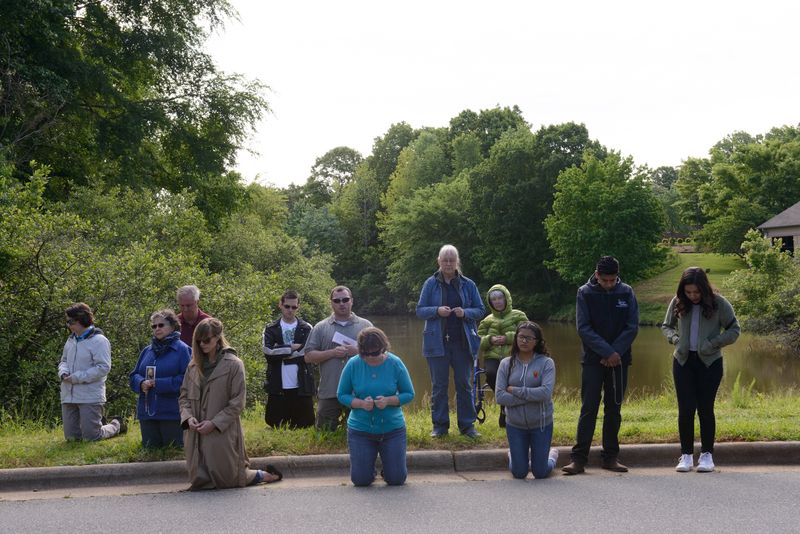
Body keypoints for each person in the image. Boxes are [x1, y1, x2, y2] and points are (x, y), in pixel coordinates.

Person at [179, 318, 281, 489]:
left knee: (230, 479)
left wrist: (214, 423)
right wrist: (188, 418)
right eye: (198, 341)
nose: (202, 344)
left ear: (218, 338)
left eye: (207, 340)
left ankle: (266, 475)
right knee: (200, 478)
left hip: (221, 430)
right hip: (195, 431)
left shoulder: (234, 364)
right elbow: (183, 396)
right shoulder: (193, 366)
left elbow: (237, 402)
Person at [562, 256, 639, 475]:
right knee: (588, 408)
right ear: (597, 275)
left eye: (612, 280)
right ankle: (578, 459)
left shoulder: (627, 292)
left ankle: (611, 457)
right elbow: (583, 328)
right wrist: (607, 352)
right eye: (605, 280)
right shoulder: (584, 293)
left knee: (614, 409)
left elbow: (632, 326)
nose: (609, 284)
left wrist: (616, 353)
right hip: (593, 360)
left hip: (620, 359)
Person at [661, 267, 740, 473]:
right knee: (685, 409)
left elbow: (734, 330)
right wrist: (675, 339)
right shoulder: (677, 302)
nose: (692, 296)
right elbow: (666, 326)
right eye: (688, 292)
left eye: (696, 292)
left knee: (705, 409)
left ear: (704, 288)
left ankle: (707, 455)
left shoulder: (719, 303)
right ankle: (686, 456)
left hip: (710, 364)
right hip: (683, 362)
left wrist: (713, 343)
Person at [416, 244, 485, 438]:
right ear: (439, 261)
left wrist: (465, 313)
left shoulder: (468, 284)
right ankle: (440, 426)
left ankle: (467, 426)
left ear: (457, 262)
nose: (448, 263)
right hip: (436, 344)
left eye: (451, 260)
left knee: (464, 384)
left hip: (463, 343)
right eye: (444, 260)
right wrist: (436, 311)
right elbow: (420, 310)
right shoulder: (430, 283)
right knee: (439, 386)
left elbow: (480, 310)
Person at [337, 327, 415, 486]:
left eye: (375, 353)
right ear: (360, 351)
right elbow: (342, 394)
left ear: (384, 348)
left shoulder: (395, 363)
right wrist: (360, 404)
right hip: (361, 430)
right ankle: (367, 469)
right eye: (366, 354)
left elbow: (409, 393)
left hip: (392, 429)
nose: (371, 357)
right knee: (361, 481)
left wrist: (389, 401)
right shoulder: (353, 364)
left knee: (397, 479)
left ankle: (389, 469)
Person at [495, 321, 558, 479]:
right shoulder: (505, 364)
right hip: (515, 425)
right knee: (519, 472)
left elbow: (545, 393)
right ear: (516, 338)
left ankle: (552, 455)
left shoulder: (546, 363)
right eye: (521, 337)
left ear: (537, 342)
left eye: (529, 338)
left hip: (541, 424)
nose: (524, 341)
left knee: (540, 472)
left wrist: (515, 390)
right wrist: (531, 397)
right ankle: (514, 455)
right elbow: (500, 396)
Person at [304, 286, 373, 431]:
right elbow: (308, 357)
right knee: (324, 433)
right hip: (330, 390)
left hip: (359, 391)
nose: (342, 303)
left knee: (362, 432)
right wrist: (332, 353)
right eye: (337, 300)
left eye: (345, 299)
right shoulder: (320, 327)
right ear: (331, 303)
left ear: (352, 301)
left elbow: (380, 355)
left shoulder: (365, 326)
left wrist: (359, 351)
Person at [58, 302, 126, 441]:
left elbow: (103, 367)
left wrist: (77, 377)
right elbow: (63, 361)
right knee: (72, 438)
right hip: (68, 394)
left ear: (81, 320)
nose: (68, 325)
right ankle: (98, 423)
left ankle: (117, 424)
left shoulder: (99, 341)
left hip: (90, 395)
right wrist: (63, 373)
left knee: (92, 437)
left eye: (70, 321)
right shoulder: (70, 340)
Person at [129, 309, 191, 448]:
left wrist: (159, 384)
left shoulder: (183, 350)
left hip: (172, 413)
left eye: (161, 325)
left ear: (173, 326)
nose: (157, 328)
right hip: (148, 413)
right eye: (154, 326)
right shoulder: (147, 351)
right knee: (150, 452)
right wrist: (141, 383)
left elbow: (189, 380)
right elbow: (134, 376)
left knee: (173, 452)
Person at [477, 284, 529, 427]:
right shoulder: (486, 320)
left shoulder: (519, 315)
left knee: (513, 376)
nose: (497, 301)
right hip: (492, 356)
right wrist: (489, 340)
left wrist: (508, 338)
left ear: (506, 298)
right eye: (494, 299)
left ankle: (508, 409)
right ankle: (504, 405)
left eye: (500, 298)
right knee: (492, 373)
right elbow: (477, 341)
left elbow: (529, 336)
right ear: (490, 302)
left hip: (515, 355)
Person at [262, 290, 314, 428]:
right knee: (275, 423)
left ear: (298, 307)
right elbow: (268, 352)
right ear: (280, 305)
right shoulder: (270, 328)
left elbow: (307, 352)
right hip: (278, 381)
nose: (290, 310)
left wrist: (280, 351)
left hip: (301, 381)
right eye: (287, 306)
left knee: (306, 423)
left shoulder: (307, 328)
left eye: (294, 307)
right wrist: (291, 347)